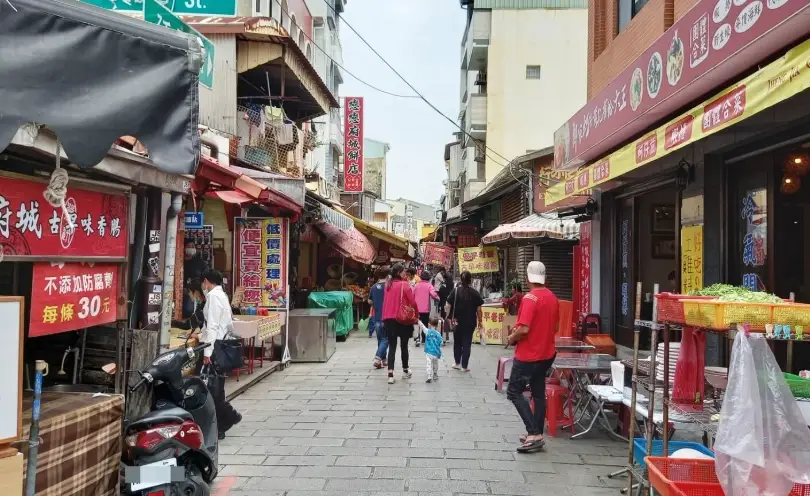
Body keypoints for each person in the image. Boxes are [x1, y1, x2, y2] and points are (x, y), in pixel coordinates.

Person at [505, 261, 559, 453]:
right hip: (547, 353)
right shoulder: (552, 297)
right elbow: (555, 328)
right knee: (538, 392)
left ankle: (533, 432)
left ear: (528, 277)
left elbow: (524, 329)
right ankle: (537, 432)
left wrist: (512, 337)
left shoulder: (530, 298)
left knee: (513, 391)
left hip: (529, 355)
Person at [200, 269, 242, 439]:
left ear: (206, 281)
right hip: (220, 343)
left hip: (215, 346)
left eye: (203, 283)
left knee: (213, 388)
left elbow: (213, 325)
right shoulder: (222, 295)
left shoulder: (213, 296)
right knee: (216, 387)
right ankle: (222, 424)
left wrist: (207, 351)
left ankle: (228, 417)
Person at [381, 263, 418, 384]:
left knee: (392, 346)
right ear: (398, 273)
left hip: (389, 319)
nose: (405, 274)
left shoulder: (388, 284)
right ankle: (405, 370)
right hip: (402, 318)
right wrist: (416, 315)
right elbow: (412, 301)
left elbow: (385, 302)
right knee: (404, 345)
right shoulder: (404, 284)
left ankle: (390, 375)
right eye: (403, 272)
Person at [445, 271, 484, 372]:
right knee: (467, 343)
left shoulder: (455, 291)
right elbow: (479, 310)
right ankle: (464, 366)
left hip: (456, 322)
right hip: (470, 322)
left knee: (457, 342)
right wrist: (480, 321)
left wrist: (448, 316)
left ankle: (457, 363)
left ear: (461, 280)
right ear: (470, 280)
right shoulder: (475, 293)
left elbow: (448, 305)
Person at [368, 268, 388, 369]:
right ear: (388, 275)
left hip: (377, 318)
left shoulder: (374, 287)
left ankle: (383, 360)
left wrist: (376, 303)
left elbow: (369, 301)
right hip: (387, 317)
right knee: (386, 339)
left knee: (381, 340)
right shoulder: (389, 286)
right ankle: (378, 358)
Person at [413, 270, 439, 347]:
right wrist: (438, 298)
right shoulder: (429, 285)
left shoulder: (416, 285)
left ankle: (417, 338)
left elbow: (412, 295)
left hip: (416, 308)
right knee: (424, 324)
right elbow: (433, 294)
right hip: (425, 309)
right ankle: (424, 339)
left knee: (417, 323)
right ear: (428, 278)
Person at [423, 317, 443, 383]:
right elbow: (441, 342)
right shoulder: (438, 334)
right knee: (435, 364)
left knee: (428, 364)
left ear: (429, 324)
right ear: (437, 325)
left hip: (428, 352)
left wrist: (418, 321)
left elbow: (422, 327)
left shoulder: (427, 331)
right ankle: (435, 374)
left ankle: (429, 376)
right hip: (435, 353)